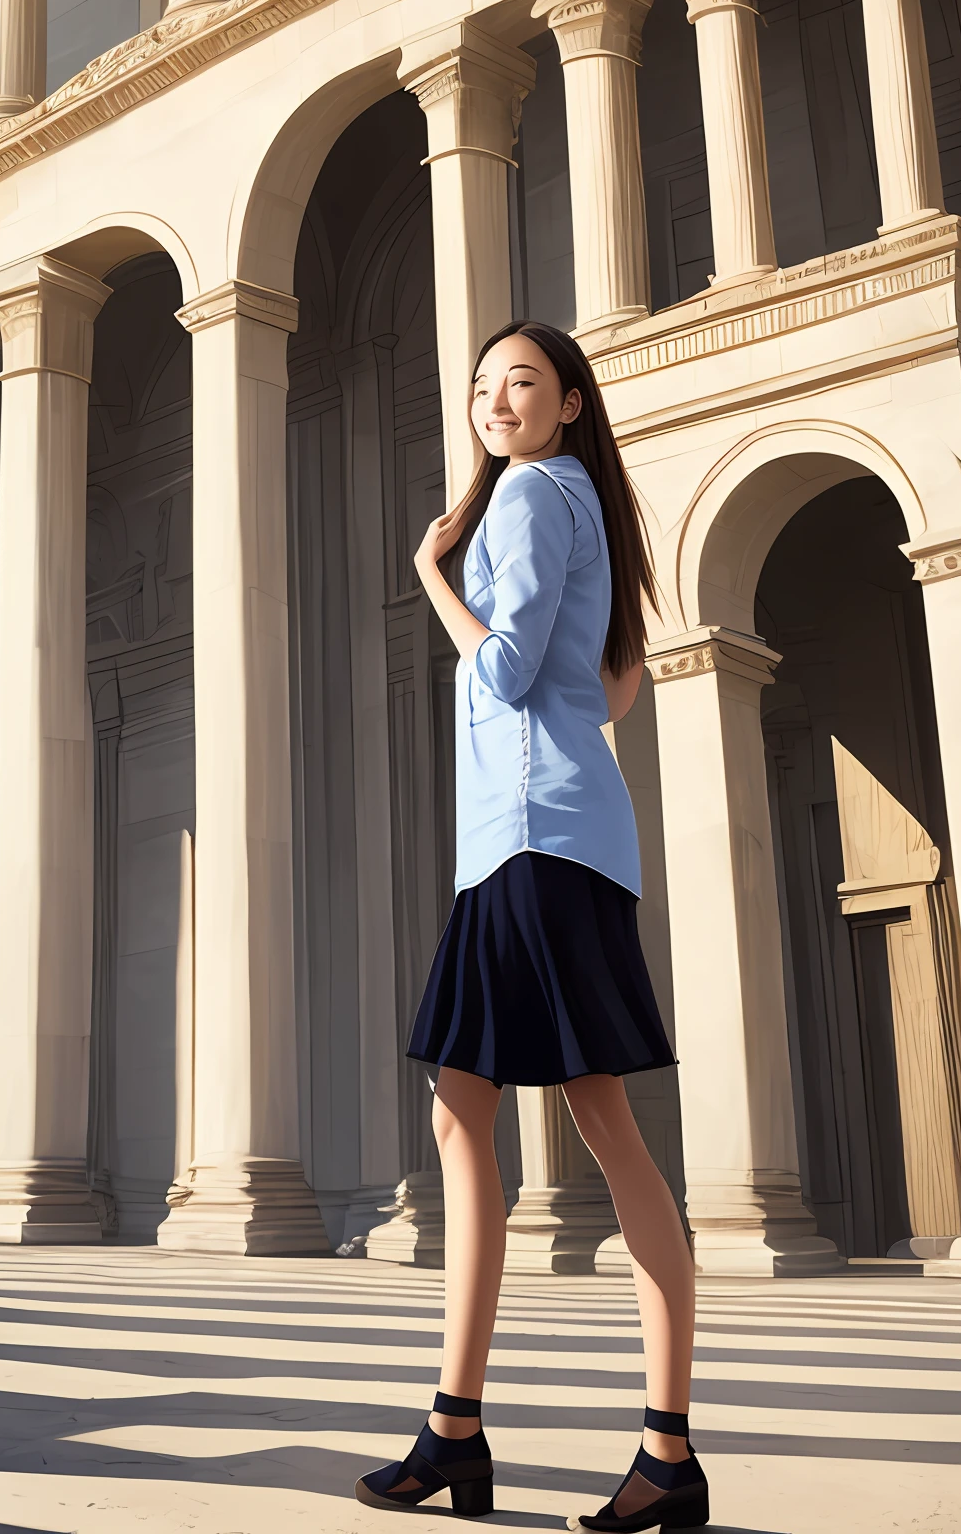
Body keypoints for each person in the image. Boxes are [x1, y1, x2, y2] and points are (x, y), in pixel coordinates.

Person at [354, 320, 707, 1532]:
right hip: (553, 837)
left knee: (570, 1120)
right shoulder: (582, 503)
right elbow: (617, 680)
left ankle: (652, 1450)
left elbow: (502, 673)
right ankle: (463, 1425)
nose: (490, 400)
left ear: (566, 402)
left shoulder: (520, 499)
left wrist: (430, 578)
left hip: (527, 842)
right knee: (490, 1107)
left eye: (518, 383)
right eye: (478, 385)